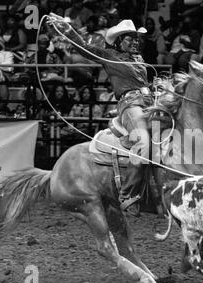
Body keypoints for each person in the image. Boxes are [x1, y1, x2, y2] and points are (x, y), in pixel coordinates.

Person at [48, 14, 153, 217]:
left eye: (135, 38)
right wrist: (67, 29)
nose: (134, 42)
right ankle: (127, 195)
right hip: (130, 105)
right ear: (119, 41)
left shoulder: (138, 59)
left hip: (148, 104)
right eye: (129, 38)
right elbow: (85, 48)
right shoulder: (109, 56)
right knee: (143, 143)